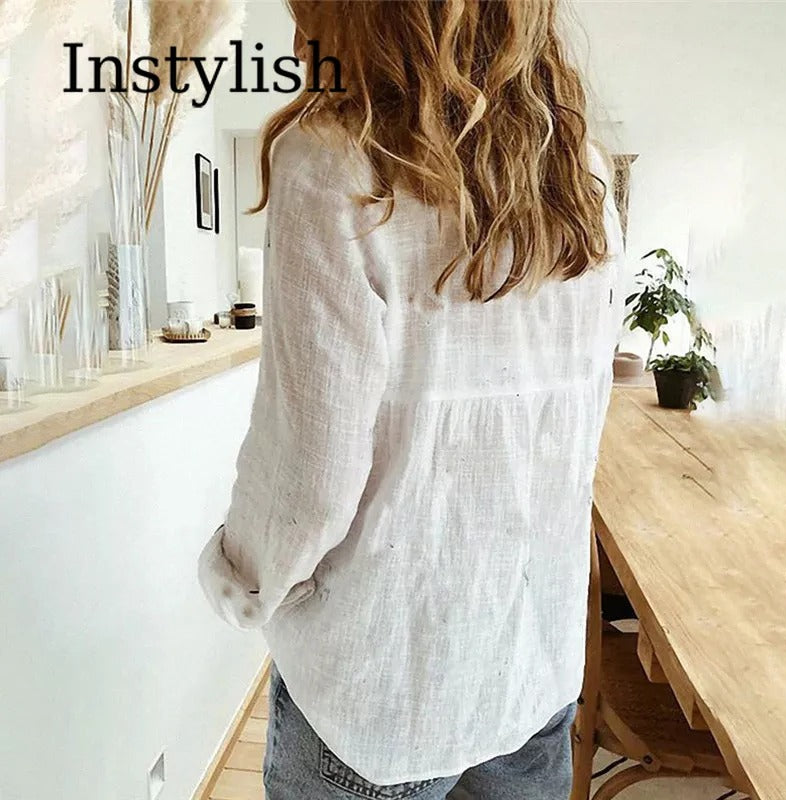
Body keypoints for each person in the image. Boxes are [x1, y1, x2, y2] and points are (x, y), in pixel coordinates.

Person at [199, 1, 624, 797]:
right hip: (528, 665)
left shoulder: (333, 167)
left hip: (382, 681)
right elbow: (577, 430)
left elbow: (306, 475)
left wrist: (239, 577)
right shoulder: (580, 173)